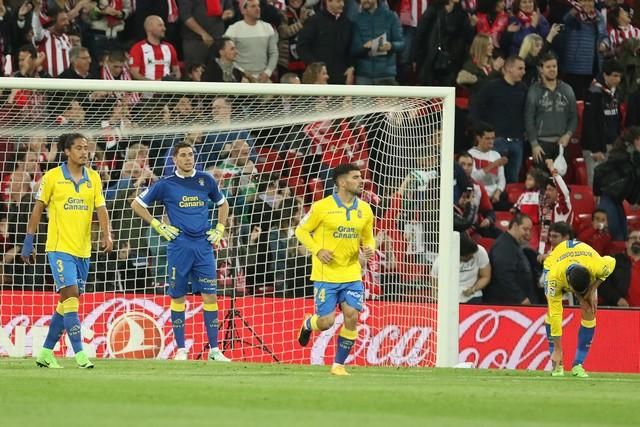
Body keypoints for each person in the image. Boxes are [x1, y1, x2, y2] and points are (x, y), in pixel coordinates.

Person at [131, 142, 231, 362]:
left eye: (191, 155)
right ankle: (181, 349)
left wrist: (220, 228)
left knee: (210, 296)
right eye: (183, 155)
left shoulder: (206, 180)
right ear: (174, 159)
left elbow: (223, 204)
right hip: (179, 247)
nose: (188, 158)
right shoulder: (165, 184)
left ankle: (214, 350)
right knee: (178, 297)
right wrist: (158, 225)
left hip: (204, 247)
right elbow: (137, 204)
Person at [21, 133, 114, 369]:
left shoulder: (93, 177)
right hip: (59, 247)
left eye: (87, 148)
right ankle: (80, 354)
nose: (85, 152)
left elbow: (101, 208)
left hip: (83, 249)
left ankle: (44, 353)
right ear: (67, 151)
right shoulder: (52, 177)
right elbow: (37, 209)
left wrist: (107, 234)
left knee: (66, 303)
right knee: (71, 296)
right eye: (80, 148)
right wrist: (28, 241)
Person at [295, 163, 375, 376]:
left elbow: (368, 237)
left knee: (351, 315)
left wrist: (369, 250)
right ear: (341, 182)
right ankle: (308, 324)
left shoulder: (365, 209)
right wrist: (317, 250)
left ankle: (338, 365)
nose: (361, 181)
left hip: (351, 273)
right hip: (325, 274)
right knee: (326, 322)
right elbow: (301, 231)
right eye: (356, 177)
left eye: (361, 177)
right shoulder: (322, 207)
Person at [543, 239, 616, 377]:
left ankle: (578, 365)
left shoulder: (596, 266)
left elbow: (612, 261)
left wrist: (593, 289)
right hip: (555, 261)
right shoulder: (553, 277)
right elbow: (556, 313)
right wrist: (558, 348)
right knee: (552, 311)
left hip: (584, 257)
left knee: (589, 309)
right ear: (569, 286)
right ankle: (558, 363)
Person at [431, 232, 491, 303]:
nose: (472, 257)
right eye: (468, 256)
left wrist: (473, 289)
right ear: (457, 254)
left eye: (473, 254)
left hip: (473, 295)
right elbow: (435, 288)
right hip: (449, 299)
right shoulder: (441, 261)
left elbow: (486, 276)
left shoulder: (479, 252)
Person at [600, 229, 640, 307]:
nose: (638, 240)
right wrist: (617, 299)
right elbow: (602, 284)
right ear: (626, 243)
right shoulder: (613, 260)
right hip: (619, 311)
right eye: (634, 238)